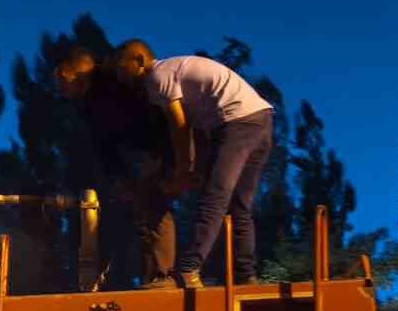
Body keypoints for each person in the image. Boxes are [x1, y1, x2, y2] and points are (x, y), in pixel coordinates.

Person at [111, 40, 273, 287]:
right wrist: (194, 168)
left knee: (215, 198)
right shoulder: (176, 70)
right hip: (261, 119)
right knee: (239, 206)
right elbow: (199, 132)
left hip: (237, 119)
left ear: (139, 59)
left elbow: (179, 125)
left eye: (121, 67)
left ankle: (188, 268)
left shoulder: (157, 75)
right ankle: (245, 275)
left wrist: (184, 168)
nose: (120, 75)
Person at [55, 47, 179, 288]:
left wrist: (162, 156)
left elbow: (147, 109)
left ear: (74, 72)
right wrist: (117, 176)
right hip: (130, 159)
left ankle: (161, 275)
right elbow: (102, 142)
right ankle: (146, 275)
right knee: (139, 213)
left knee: (153, 207)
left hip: (149, 149)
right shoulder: (87, 102)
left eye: (61, 79)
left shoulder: (112, 80)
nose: (60, 88)